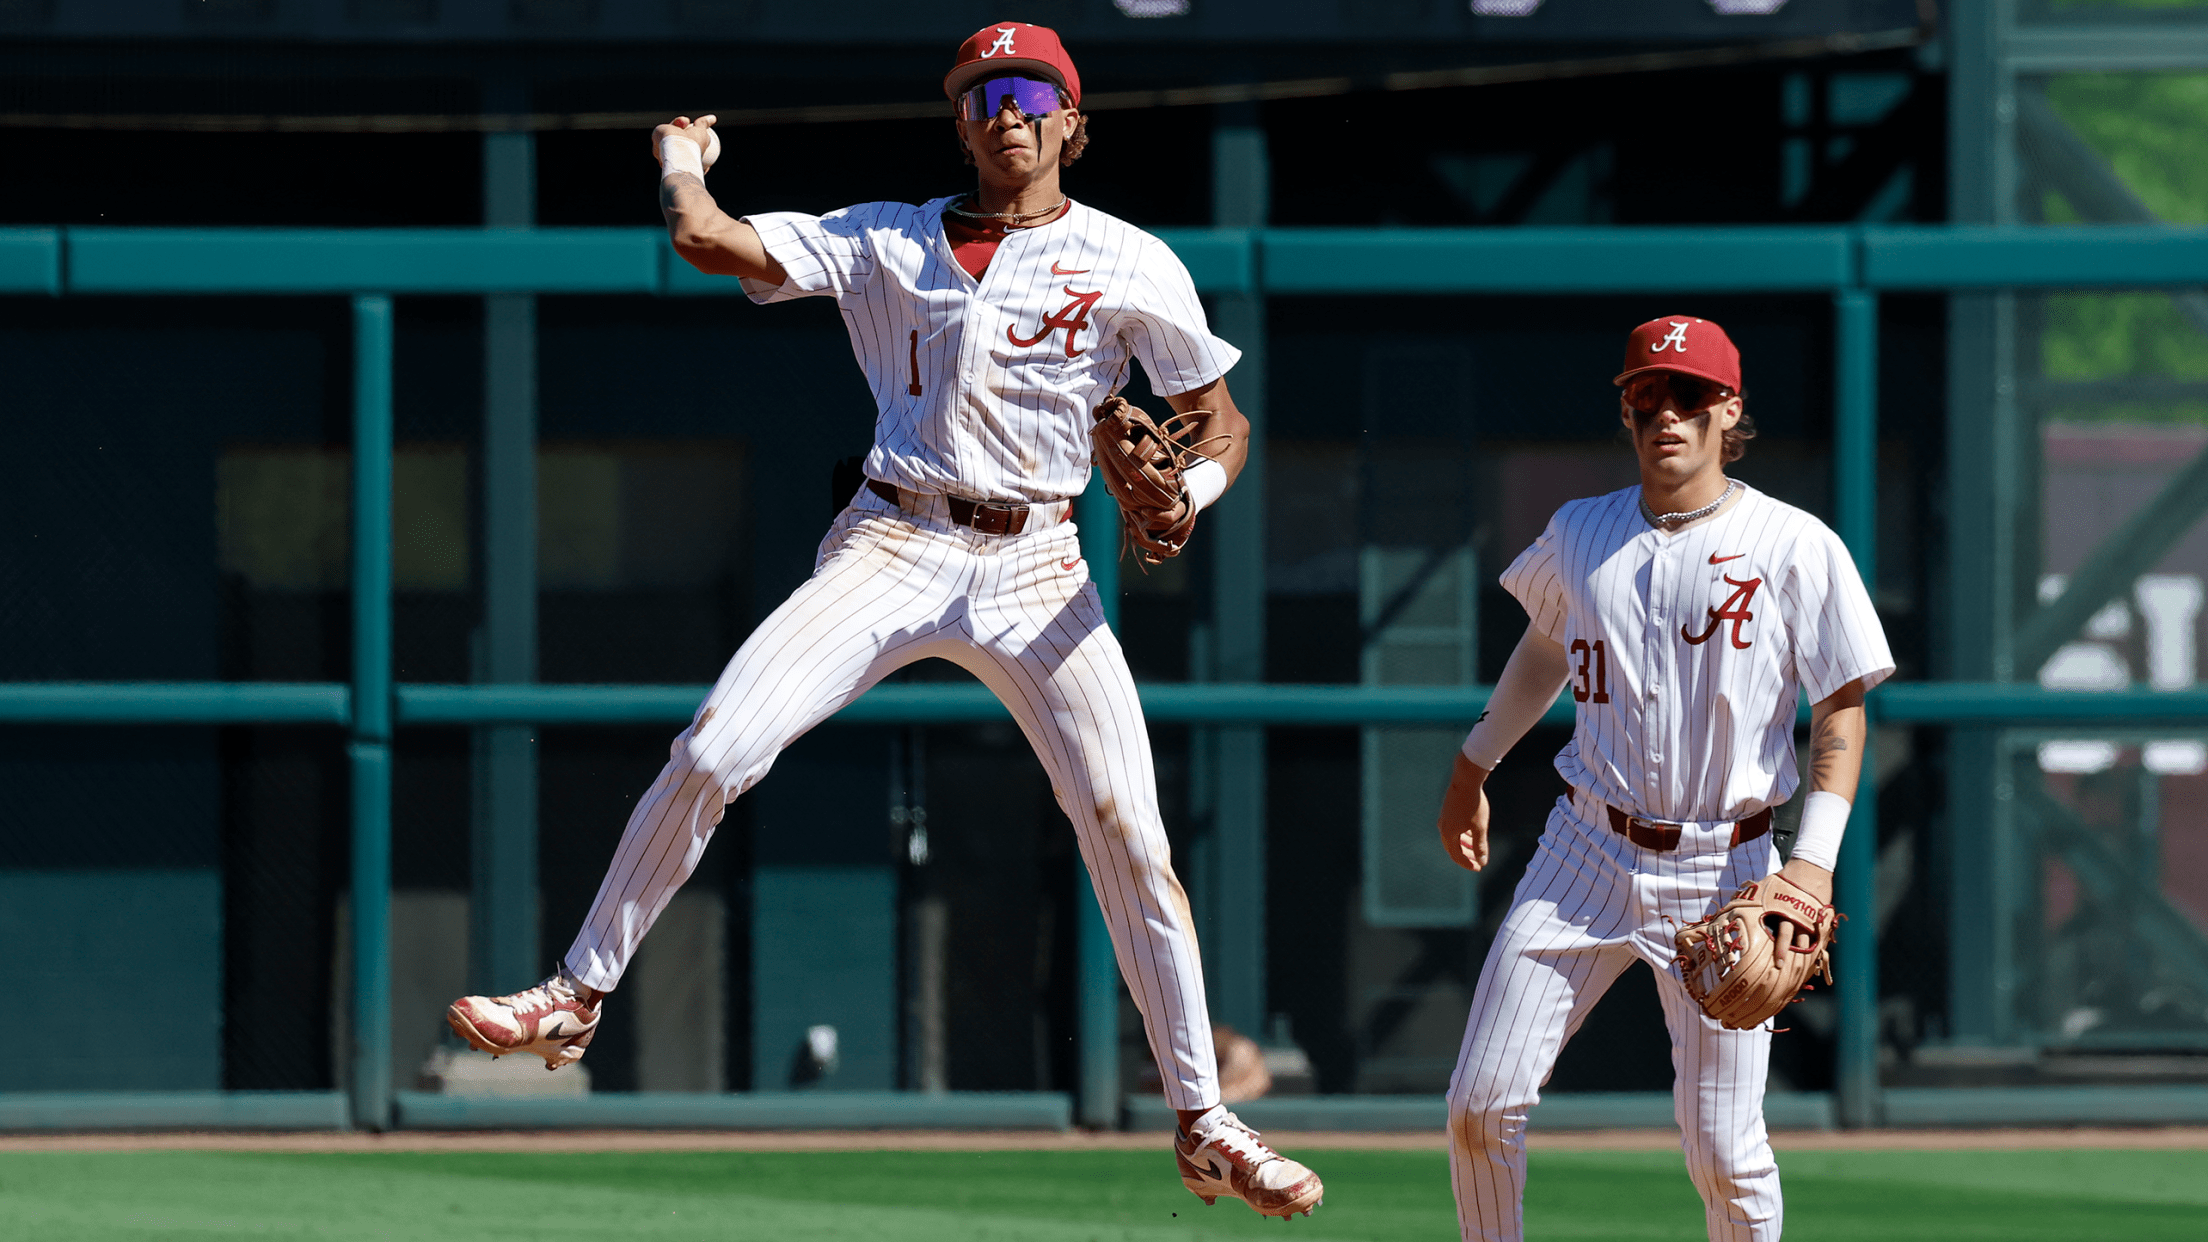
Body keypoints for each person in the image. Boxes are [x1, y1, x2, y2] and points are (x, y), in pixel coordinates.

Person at [442, 20, 1322, 1220]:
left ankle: (1204, 1119)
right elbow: (706, 240)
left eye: (1030, 92)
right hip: (894, 538)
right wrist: (681, 165)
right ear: (960, 121)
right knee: (714, 745)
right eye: (981, 94)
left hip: (1041, 564)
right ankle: (578, 995)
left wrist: (1193, 496)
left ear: (1072, 121)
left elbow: (1220, 420)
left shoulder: (1130, 260)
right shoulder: (884, 236)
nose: (1005, 111)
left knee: (1129, 830)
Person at [1433, 315, 1893, 1242]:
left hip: (1728, 867)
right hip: (1584, 854)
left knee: (1723, 1151)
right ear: (1628, 409)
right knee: (1479, 1108)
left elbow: (1841, 709)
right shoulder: (1581, 530)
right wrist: (1471, 765)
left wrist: (1812, 867)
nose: (1666, 415)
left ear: (1729, 411)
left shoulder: (1796, 544)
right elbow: (1543, 650)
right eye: (1648, 395)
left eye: (1689, 396)